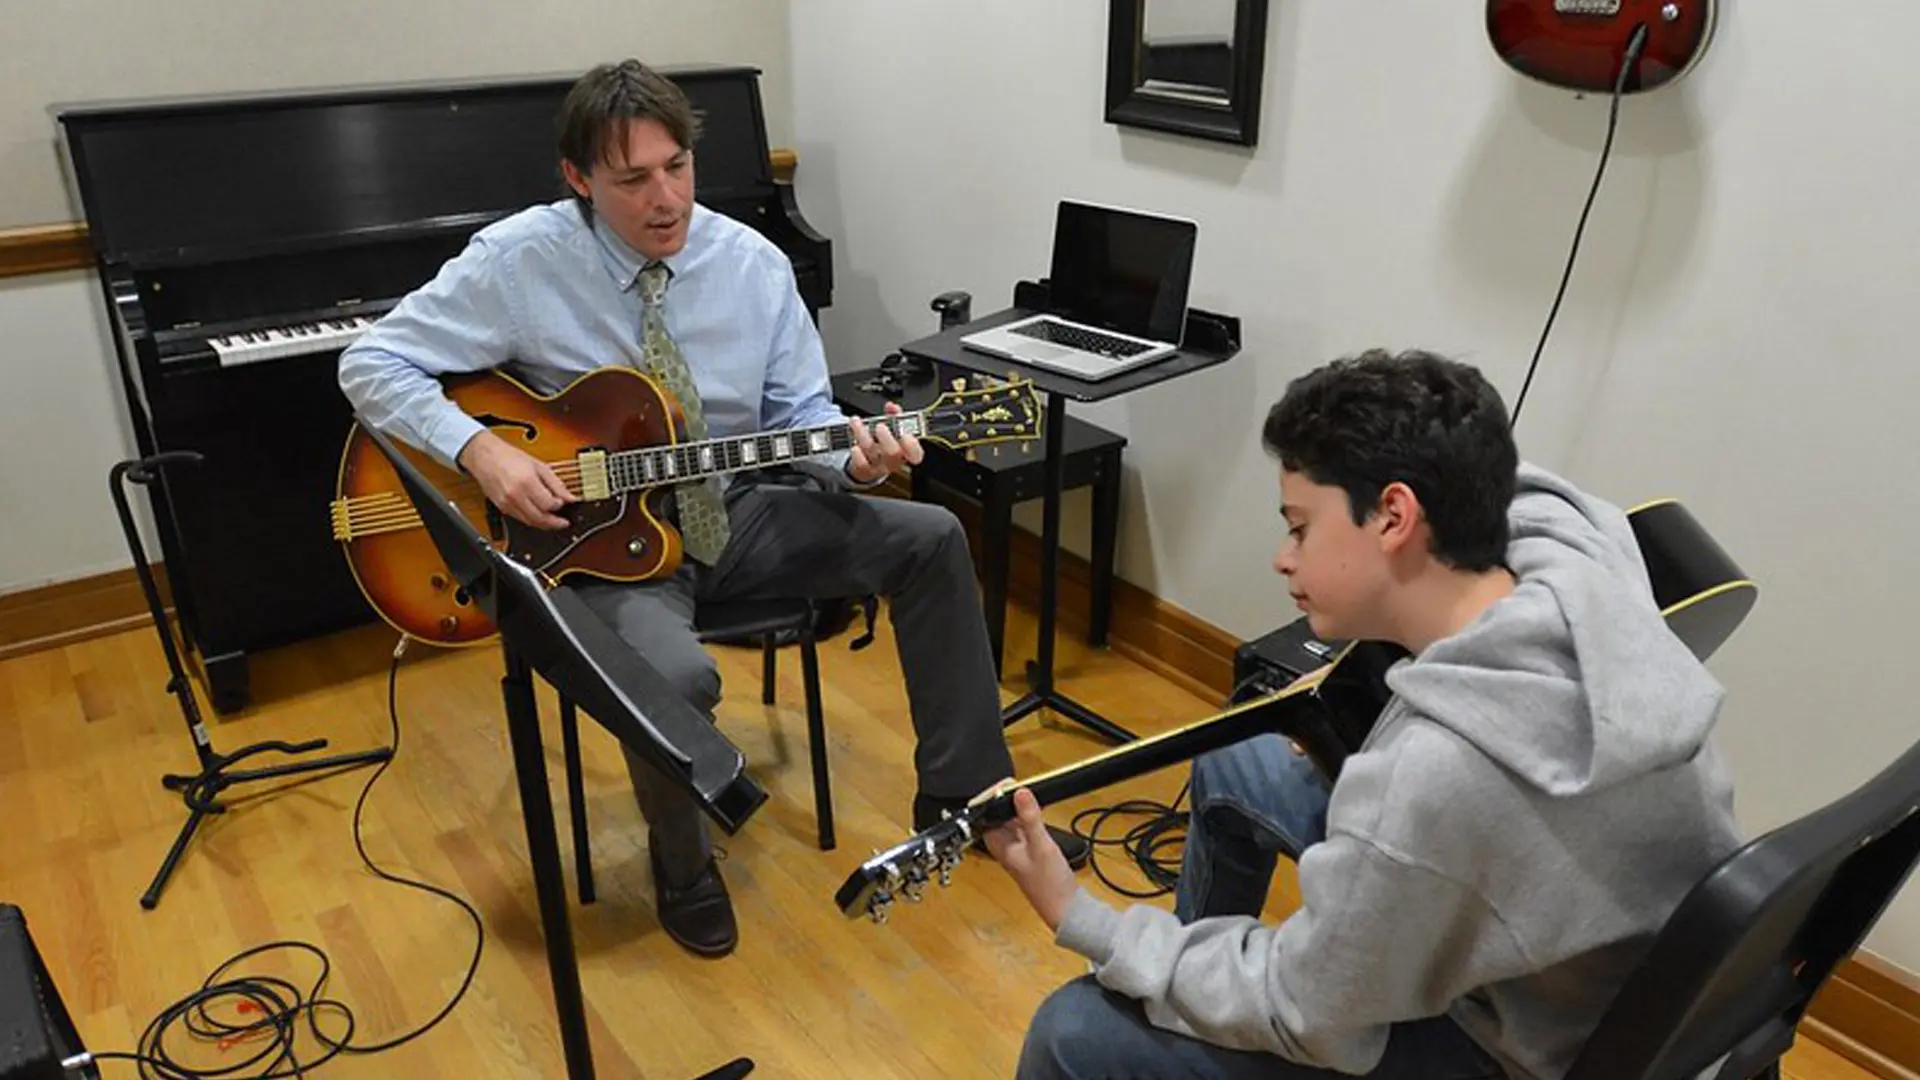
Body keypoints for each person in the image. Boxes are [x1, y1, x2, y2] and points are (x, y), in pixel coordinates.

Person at [338, 59, 1088, 959]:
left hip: (738, 510)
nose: (667, 198)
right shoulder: (520, 262)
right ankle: (683, 866)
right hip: (600, 547)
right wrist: (484, 451)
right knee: (678, 680)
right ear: (578, 181)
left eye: (679, 166)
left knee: (929, 537)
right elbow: (369, 363)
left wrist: (858, 459)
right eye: (634, 179)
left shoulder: (752, 264)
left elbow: (803, 421)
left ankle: (963, 802)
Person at [985, 349, 1745, 1079]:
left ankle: (1183, 1002)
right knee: (1240, 759)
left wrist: (1082, 916)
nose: (1285, 557)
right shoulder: (1583, 565)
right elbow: (1521, 483)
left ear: (1393, 516)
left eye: (1299, 526)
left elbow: (1308, 1016)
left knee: (1074, 1033)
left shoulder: (1430, 773)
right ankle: (1194, 988)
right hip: (1608, 976)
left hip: (1514, 1046)